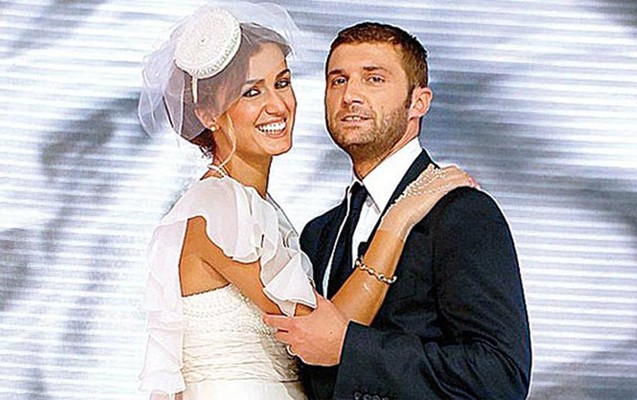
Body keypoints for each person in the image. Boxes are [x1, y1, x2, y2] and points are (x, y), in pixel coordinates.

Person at [137, 4, 476, 400]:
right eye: (252, 91)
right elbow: (321, 335)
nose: (277, 105)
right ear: (208, 114)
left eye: (282, 83)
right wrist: (400, 215)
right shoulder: (218, 207)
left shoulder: (262, 209)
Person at [264, 22, 532, 399]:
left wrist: (351, 348)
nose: (350, 95)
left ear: (419, 102)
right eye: (338, 80)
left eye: (374, 79)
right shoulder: (319, 233)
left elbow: (501, 376)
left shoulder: (462, 212)